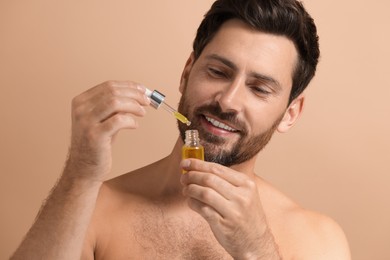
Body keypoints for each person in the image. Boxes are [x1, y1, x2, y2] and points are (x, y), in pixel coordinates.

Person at [11, 0, 351, 259]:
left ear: (291, 113)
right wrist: (80, 174)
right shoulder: (95, 209)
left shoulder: (317, 240)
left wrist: (256, 250)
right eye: (218, 72)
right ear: (187, 72)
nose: (228, 101)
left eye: (259, 88)